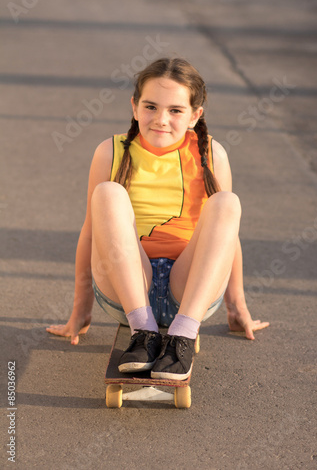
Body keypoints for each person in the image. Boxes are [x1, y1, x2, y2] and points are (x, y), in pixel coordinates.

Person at [47, 57, 269, 380]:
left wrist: (238, 306)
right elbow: (90, 232)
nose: (161, 119)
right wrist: (81, 308)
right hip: (127, 287)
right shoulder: (110, 153)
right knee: (108, 194)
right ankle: (143, 332)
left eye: (175, 111)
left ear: (195, 115)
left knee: (227, 203)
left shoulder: (212, 155)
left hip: (188, 289)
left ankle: (182, 336)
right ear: (134, 107)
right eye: (150, 107)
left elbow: (226, 238)